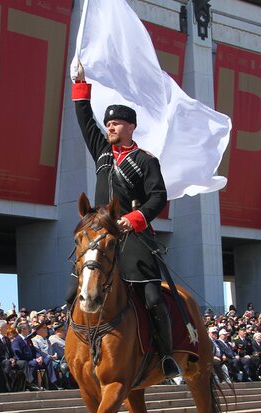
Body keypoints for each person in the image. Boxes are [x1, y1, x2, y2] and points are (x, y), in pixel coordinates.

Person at [67, 62, 180, 378]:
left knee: (154, 297)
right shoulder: (102, 152)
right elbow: (84, 118)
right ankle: (76, 352)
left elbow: (158, 197)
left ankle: (166, 356)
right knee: (70, 293)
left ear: (131, 127)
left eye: (116, 124)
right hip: (103, 237)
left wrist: (135, 218)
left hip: (135, 238)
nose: (110, 128)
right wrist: (80, 84)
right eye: (108, 124)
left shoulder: (146, 161)